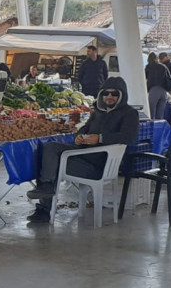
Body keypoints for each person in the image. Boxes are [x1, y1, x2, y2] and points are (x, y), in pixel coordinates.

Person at [28, 77, 140, 223]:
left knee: (54, 163)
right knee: (49, 148)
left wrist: (99, 138)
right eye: (106, 93)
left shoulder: (129, 114)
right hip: (82, 154)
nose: (109, 97)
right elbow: (84, 128)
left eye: (114, 94)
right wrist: (79, 137)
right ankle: (46, 187)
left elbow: (128, 137)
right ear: (101, 94)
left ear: (122, 95)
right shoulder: (98, 112)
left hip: (100, 165)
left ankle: (44, 208)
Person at [145, 52, 171, 121]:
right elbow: (169, 78)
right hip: (163, 91)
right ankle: (159, 129)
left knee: (152, 113)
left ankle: (153, 130)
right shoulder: (163, 66)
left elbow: (144, 78)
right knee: (160, 115)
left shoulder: (148, 67)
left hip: (153, 90)